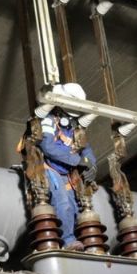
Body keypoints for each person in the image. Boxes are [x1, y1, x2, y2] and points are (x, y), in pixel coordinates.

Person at [38, 85, 97, 251]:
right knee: (63, 202)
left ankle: (87, 241)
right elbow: (48, 147)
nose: (68, 118)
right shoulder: (48, 120)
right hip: (50, 168)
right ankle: (67, 241)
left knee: (76, 205)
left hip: (67, 171)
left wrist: (91, 165)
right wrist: (77, 161)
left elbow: (87, 149)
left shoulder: (75, 127)